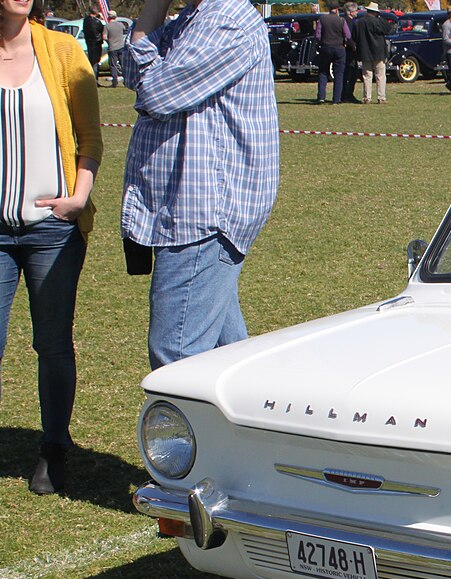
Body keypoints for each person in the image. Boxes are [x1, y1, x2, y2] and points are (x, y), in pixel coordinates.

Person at [121, 0, 280, 371]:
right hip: (184, 207)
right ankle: (251, 431)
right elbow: (131, 70)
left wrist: (145, 31)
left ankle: (181, 433)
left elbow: (157, 94)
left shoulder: (225, 19)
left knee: (177, 362)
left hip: (200, 214)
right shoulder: (193, 18)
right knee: (229, 360)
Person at [0, 0, 101, 494]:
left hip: (51, 230)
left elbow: (89, 138)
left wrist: (78, 198)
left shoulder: (62, 51)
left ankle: (54, 447)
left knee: (53, 343)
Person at [352, 2, 392, 103]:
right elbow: (388, 29)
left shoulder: (360, 22)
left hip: (365, 52)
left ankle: (367, 97)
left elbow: (355, 36)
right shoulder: (378, 22)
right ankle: (381, 97)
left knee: (367, 76)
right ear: (375, 12)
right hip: (378, 52)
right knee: (380, 76)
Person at [314, 3, 350, 104]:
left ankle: (321, 97)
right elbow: (348, 34)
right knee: (338, 74)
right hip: (339, 48)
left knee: (323, 72)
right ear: (337, 10)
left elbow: (317, 35)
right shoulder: (341, 20)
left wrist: (321, 43)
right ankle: (336, 99)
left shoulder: (322, 19)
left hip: (326, 48)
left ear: (329, 9)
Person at [104, 10, 125, 87]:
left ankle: (115, 82)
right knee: (123, 64)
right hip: (121, 46)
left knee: (113, 65)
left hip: (112, 47)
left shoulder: (107, 26)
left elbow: (104, 37)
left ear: (108, 17)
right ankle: (126, 81)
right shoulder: (121, 24)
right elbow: (124, 31)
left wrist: (109, 41)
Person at [81, 6, 102, 81]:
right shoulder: (97, 22)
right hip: (97, 42)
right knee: (96, 61)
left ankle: (91, 78)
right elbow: (101, 29)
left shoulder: (86, 20)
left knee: (91, 59)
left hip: (89, 41)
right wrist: (100, 19)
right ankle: (95, 79)